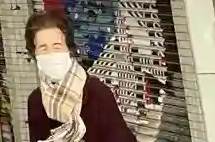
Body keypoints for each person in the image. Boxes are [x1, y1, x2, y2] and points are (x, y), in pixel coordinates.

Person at [25, 11, 137, 141]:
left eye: (57, 47)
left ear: (69, 50)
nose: (50, 54)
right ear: (34, 53)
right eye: (43, 48)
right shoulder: (36, 101)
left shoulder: (97, 93)